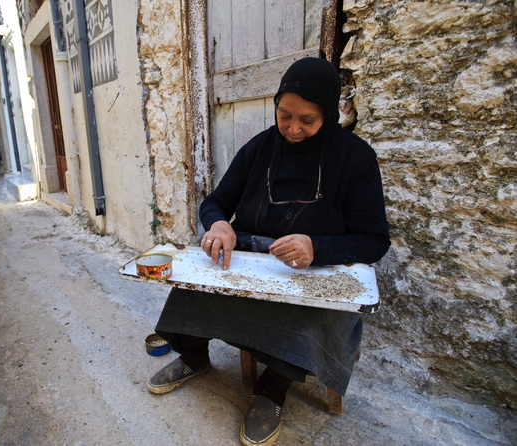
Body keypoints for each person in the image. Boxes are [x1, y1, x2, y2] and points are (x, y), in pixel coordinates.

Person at [147, 57, 391, 446]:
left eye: (307, 120)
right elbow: (214, 202)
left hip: (316, 274)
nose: (293, 128)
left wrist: (317, 247)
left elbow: (376, 240)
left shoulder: (355, 158)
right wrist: (219, 224)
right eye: (284, 115)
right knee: (192, 284)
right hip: (250, 257)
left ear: (327, 114)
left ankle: (271, 392)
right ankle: (194, 357)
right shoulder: (260, 147)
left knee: (306, 322)